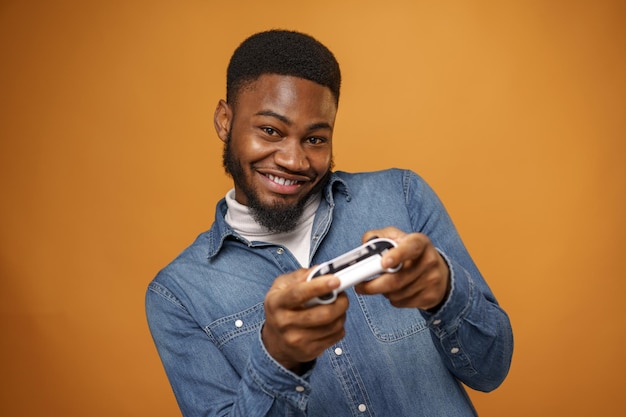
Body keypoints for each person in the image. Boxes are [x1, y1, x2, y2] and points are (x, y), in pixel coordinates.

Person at [146, 29, 513, 417]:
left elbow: (491, 370)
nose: (294, 161)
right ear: (225, 120)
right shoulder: (178, 295)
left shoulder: (402, 197)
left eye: (316, 139)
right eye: (270, 131)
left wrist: (445, 292)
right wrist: (278, 361)